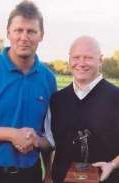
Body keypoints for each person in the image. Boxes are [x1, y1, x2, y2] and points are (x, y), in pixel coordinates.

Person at [0, 1, 57, 183]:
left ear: (41, 35)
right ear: (8, 32)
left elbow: (48, 134)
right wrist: (12, 134)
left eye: (31, 31)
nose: (24, 37)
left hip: (29, 175)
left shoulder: (48, 79)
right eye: (18, 30)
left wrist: (48, 174)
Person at [49, 36, 119, 183]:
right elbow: (52, 143)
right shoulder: (57, 100)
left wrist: (112, 165)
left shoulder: (116, 97)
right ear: (69, 60)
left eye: (88, 58)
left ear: (100, 60)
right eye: (76, 57)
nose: (81, 63)